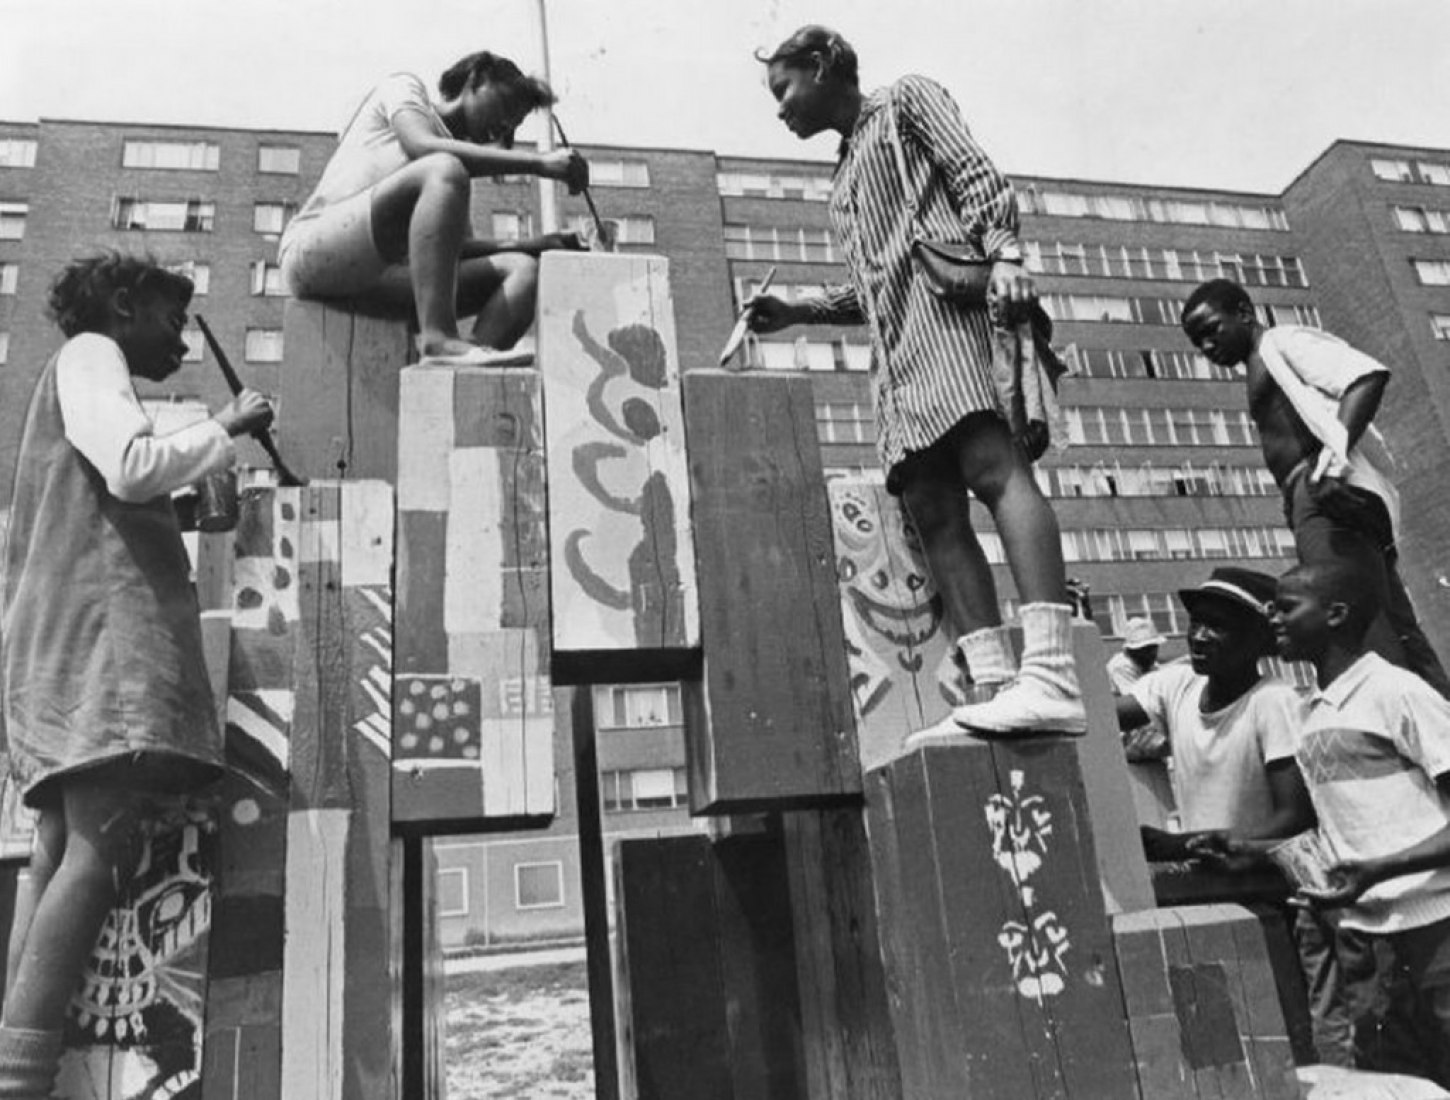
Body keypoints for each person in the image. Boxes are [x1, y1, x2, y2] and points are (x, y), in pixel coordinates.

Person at [749, 25, 1082, 738]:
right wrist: (799, 310)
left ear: (819, 64)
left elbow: (973, 171)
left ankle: (1051, 675)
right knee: (933, 512)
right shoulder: (839, 181)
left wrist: (1007, 254)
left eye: (783, 90)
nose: (780, 111)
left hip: (950, 322)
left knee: (995, 470)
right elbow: (868, 287)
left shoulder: (906, 101)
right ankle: (993, 688)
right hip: (896, 361)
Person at [0, 253, 273, 1098]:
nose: (182, 339)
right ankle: (21, 1079)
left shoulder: (73, 384)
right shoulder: (90, 355)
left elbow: (114, 492)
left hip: (57, 633)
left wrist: (192, 497)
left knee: (55, 852)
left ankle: (13, 1062)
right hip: (102, 633)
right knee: (98, 841)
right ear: (122, 306)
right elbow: (129, 465)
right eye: (170, 317)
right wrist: (227, 426)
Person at [1117, 567, 1356, 1065]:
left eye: (1219, 626)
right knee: (1223, 1040)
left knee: (1289, 1039)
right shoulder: (1178, 682)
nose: (1200, 635)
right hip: (1213, 876)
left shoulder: (1273, 703)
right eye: (1196, 622)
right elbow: (1100, 714)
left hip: (1270, 887)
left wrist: (1180, 844)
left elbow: (1293, 818)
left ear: (1257, 641)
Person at [1180, 278, 1450, 699]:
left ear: (1244, 313)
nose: (1207, 347)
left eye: (1212, 330)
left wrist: (1330, 464)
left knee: (1342, 621)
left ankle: (1380, 721)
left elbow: (1365, 376)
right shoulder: (1256, 364)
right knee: (1387, 619)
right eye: (1198, 343)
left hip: (1322, 490)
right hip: (1312, 495)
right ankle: (1437, 720)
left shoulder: (1281, 342)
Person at [279, 50, 591, 366]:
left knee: (523, 270)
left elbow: (450, 251)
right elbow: (421, 145)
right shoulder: (405, 90)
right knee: (443, 168)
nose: (504, 127)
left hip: (382, 283)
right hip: (313, 255)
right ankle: (439, 340)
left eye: (514, 126)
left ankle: (454, 376)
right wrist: (538, 162)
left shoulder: (449, 176)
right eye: (507, 106)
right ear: (477, 78)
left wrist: (535, 244)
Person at [1270, 556, 1450, 1085]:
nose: (1273, 619)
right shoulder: (1310, 713)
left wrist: (1379, 869)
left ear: (1336, 614)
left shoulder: (1397, 692)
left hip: (1436, 931)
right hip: (1365, 942)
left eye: (1285, 608)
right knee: (1396, 1084)